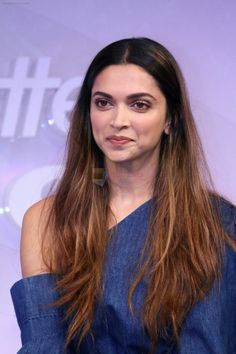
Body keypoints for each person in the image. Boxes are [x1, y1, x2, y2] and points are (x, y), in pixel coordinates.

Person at [11, 37, 236, 354]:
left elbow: (210, 345)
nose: (118, 121)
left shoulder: (216, 224)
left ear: (171, 119)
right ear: (88, 114)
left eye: (139, 104)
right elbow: (43, 345)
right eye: (103, 103)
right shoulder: (47, 220)